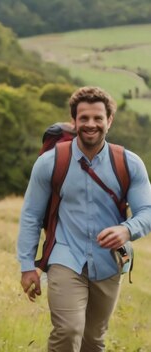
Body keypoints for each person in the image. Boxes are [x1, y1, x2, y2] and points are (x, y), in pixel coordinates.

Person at [17, 86, 151, 351]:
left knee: (93, 339)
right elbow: (31, 215)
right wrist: (26, 265)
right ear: (74, 120)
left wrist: (127, 230)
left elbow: (147, 211)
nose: (91, 124)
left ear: (109, 120)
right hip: (65, 257)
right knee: (68, 330)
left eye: (98, 118)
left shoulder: (129, 163)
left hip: (109, 262)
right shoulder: (50, 163)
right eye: (84, 118)